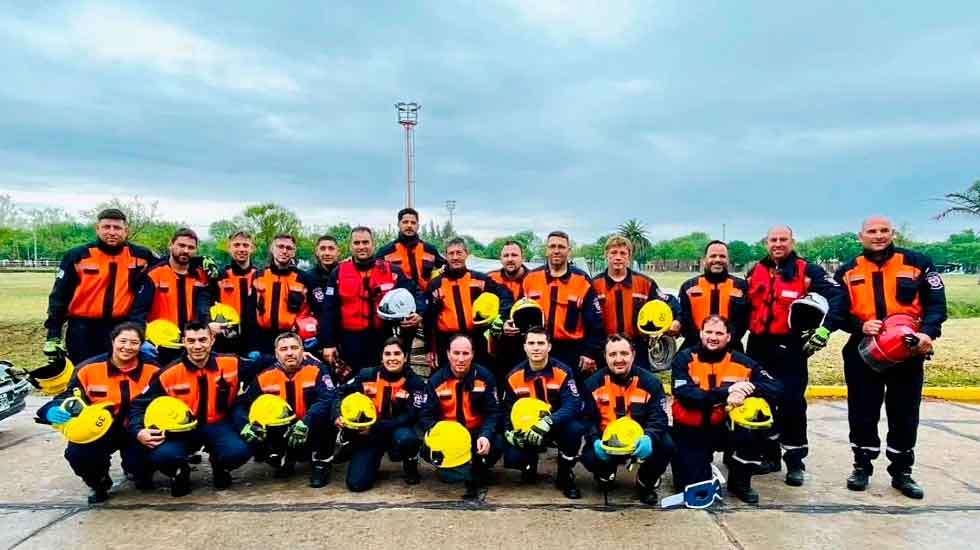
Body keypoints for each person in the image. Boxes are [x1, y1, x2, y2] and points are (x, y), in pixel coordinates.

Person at [834, 216, 947, 499]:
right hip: (863, 350)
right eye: (872, 231)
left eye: (884, 230)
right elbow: (837, 311)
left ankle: (902, 472)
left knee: (904, 412)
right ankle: (862, 465)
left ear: (893, 233)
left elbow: (937, 305)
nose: (879, 235)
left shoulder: (919, 263)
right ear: (861, 236)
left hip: (907, 350)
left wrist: (927, 334)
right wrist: (858, 326)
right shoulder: (847, 270)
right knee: (862, 411)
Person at [744, 225, 845, 486]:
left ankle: (795, 461)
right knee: (762, 402)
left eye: (783, 239)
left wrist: (825, 329)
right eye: (773, 240)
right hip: (758, 346)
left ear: (792, 241)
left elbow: (839, 298)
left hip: (790, 348)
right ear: (766, 243)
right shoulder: (756, 271)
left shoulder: (808, 271)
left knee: (792, 404)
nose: (778, 244)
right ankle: (770, 456)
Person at [36, 322, 159, 503]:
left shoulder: (154, 370)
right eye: (122, 341)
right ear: (112, 341)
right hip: (99, 429)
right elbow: (68, 395)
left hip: (136, 429)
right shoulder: (88, 368)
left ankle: (138, 472)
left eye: (134, 343)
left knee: (141, 469)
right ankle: (98, 482)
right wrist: (50, 410)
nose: (127, 347)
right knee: (78, 454)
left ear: (142, 345)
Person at [129, 321, 253, 497]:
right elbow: (139, 404)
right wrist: (139, 431)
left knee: (239, 451)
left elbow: (263, 366)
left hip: (218, 424)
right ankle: (180, 472)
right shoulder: (168, 373)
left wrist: (301, 358)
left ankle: (219, 464)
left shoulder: (232, 362)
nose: (197, 346)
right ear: (184, 341)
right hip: (181, 431)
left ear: (212, 340)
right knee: (163, 456)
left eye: (202, 340)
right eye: (191, 340)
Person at [670, 315, 782, 503]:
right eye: (709, 332)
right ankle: (692, 465)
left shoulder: (742, 362)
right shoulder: (683, 359)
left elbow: (776, 387)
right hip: (691, 429)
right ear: (700, 333)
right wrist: (727, 392)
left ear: (729, 337)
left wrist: (746, 391)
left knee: (753, 426)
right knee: (691, 488)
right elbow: (685, 395)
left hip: (724, 427)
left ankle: (740, 481)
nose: (713, 337)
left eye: (719, 333)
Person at [45, 209, 157, 364]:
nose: (111, 232)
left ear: (126, 231)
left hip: (121, 327)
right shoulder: (78, 256)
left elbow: (171, 263)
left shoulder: (142, 256)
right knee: (83, 374)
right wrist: (53, 334)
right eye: (106, 227)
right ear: (97, 228)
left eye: (117, 228)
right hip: (82, 329)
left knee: (119, 373)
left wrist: (198, 262)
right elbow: (59, 297)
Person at [234, 332, 337, 488]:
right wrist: (245, 425)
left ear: (303, 350)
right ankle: (284, 456)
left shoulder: (318, 369)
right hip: (282, 429)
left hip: (310, 427)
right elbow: (241, 404)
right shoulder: (264, 376)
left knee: (330, 410)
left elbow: (327, 398)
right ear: (276, 353)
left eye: (294, 348)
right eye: (283, 349)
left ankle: (321, 463)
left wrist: (306, 423)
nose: (289, 352)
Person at [580, 334, 674, 505]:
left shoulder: (651, 383)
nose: (619, 359)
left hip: (639, 442)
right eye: (613, 354)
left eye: (624, 353)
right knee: (589, 456)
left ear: (633, 354)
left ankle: (646, 482)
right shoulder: (592, 384)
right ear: (605, 357)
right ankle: (605, 475)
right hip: (607, 442)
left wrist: (649, 438)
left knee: (666, 444)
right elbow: (587, 419)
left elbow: (659, 417)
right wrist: (594, 441)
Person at [318, 226, 425, 373]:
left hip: (383, 338)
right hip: (350, 341)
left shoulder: (391, 270)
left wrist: (419, 312)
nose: (361, 247)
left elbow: (416, 292)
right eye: (357, 243)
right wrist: (328, 344)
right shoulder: (338, 273)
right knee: (351, 386)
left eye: (365, 242)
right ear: (350, 246)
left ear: (373, 244)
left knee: (384, 382)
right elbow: (328, 311)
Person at [331, 337, 426, 492]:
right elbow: (339, 392)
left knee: (408, 440)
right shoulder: (366, 374)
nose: (392, 358)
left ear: (405, 357)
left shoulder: (415, 383)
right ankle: (354, 447)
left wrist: (376, 427)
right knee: (356, 484)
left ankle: (410, 462)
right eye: (387, 354)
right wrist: (337, 415)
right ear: (381, 357)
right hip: (369, 434)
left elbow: (411, 415)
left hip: (397, 431)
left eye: (397, 353)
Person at [501, 327, 585, 499]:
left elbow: (573, 404)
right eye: (531, 343)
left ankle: (565, 474)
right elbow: (506, 410)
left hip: (555, 426)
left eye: (541, 343)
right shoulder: (513, 377)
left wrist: (547, 422)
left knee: (575, 430)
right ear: (524, 347)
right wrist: (509, 432)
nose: (536, 348)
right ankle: (529, 465)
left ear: (549, 346)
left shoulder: (563, 372)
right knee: (513, 456)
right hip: (526, 429)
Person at [420, 334, 504, 499]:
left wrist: (485, 435)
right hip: (450, 438)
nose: (460, 359)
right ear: (448, 354)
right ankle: (466, 470)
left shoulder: (485, 377)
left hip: (476, 434)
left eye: (465, 354)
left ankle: (477, 466)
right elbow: (425, 416)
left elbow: (493, 413)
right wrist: (438, 435)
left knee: (499, 442)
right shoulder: (436, 380)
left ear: (472, 354)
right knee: (429, 454)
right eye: (456, 353)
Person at [521, 231, 603, 380]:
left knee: (572, 395)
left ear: (569, 251)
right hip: (539, 347)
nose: (556, 251)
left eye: (561, 247)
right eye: (552, 246)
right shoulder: (530, 278)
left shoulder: (582, 280)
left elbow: (595, 322)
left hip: (572, 352)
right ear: (546, 250)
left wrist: (589, 353)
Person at [591, 235, 680, 370]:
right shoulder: (594, 285)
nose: (618, 257)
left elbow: (668, 302)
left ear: (629, 256)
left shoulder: (645, 283)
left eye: (623, 253)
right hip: (604, 350)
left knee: (641, 388)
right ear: (606, 255)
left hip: (637, 350)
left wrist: (677, 320)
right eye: (613, 252)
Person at [425, 237, 512, 369]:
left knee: (480, 379)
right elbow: (428, 319)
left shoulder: (480, 280)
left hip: (476, 339)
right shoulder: (435, 284)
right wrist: (430, 349)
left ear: (467, 254)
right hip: (446, 341)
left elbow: (505, 295)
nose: (455, 257)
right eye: (451, 253)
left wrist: (502, 316)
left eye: (459, 253)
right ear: (446, 256)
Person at [130, 228, 211, 364]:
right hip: (160, 344)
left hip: (191, 344)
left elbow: (205, 306)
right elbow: (138, 312)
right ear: (171, 245)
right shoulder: (154, 274)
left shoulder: (202, 275)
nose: (185, 250)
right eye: (181, 245)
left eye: (191, 247)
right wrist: (140, 338)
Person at [247, 234, 313, 355]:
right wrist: (253, 345)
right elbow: (250, 312)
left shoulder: (304, 278)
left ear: (294, 252)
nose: (284, 251)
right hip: (263, 339)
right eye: (280, 246)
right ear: (272, 249)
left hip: (292, 339)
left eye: (289, 248)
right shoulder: (258, 276)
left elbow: (314, 310)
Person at [678, 240, 750, 350]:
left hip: (731, 347)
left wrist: (724, 341)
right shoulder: (688, 287)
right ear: (704, 260)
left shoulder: (742, 287)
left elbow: (744, 321)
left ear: (728, 260)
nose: (717, 260)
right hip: (695, 346)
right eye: (713, 256)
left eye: (722, 256)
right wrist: (704, 341)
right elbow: (684, 319)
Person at [487, 240, 532, 376]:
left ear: (523, 258)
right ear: (500, 258)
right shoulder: (490, 279)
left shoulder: (534, 279)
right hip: (497, 346)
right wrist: (501, 325)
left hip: (527, 346)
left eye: (514, 255)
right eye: (506, 256)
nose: (510, 259)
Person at [377, 208, 446, 293]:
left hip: (426, 299)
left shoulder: (429, 249)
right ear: (398, 224)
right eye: (405, 222)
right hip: (398, 301)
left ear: (418, 226)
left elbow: (447, 267)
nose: (409, 225)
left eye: (413, 223)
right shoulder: (385, 252)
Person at [213, 231, 256, 354]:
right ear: (229, 248)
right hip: (225, 339)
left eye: (245, 245)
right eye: (236, 245)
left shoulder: (260, 275)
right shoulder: (219, 276)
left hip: (253, 340)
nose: (241, 249)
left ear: (252, 248)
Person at [306, 235, 341, 323]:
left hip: (345, 330)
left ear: (338, 252)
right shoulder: (308, 277)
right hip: (318, 329)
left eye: (331, 248)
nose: (327, 253)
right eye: (322, 249)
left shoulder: (346, 274)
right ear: (317, 252)